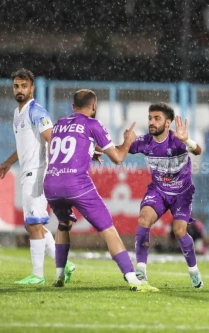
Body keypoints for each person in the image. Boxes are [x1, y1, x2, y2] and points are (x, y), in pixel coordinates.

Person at [43, 89, 158, 292]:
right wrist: (129, 140)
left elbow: (67, 147)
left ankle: (59, 275)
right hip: (76, 183)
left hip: (51, 184)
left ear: (72, 107)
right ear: (94, 107)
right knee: (108, 230)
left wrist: (91, 151)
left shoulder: (59, 123)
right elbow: (118, 158)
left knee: (63, 223)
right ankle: (133, 279)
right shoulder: (92, 124)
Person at [0, 68, 75, 285]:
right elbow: (24, 145)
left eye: (23, 86)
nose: (19, 90)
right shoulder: (17, 113)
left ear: (32, 88)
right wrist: (7, 163)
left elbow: (52, 139)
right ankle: (65, 264)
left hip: (38, 172)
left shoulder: (37, 112)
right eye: (16, 86)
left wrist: (60, 167)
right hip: (27, 172)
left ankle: (38, 275)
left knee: (33, 224)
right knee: (35, 224)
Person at [131, 102, 205, 288]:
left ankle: (194, 271)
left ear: (167, 123)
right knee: (143, 220)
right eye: (150, 118)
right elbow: (119, 151)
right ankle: (141, 271)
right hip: (158, 191)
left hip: (182, 193)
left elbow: (198, 150)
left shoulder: (177, 139)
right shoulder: (144, 142)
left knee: (180, 231)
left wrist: (187, 141)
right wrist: (99, 149)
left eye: (157, 118)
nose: (152, 122)